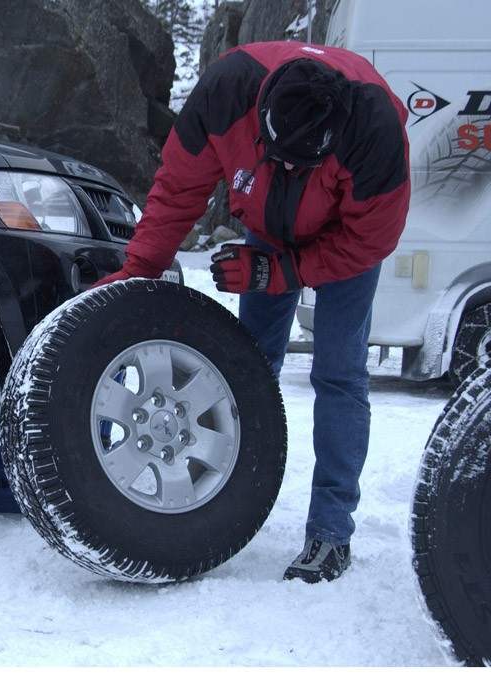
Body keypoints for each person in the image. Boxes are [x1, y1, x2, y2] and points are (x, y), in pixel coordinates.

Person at [95, 42, 410, 583]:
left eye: (302, 160)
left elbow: (368, 241)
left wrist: (280, 273)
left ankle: (330, 534)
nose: (288, 164)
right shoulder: (225, 93)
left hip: (342, 243)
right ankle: (229, 509)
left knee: (338, 374)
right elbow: (178, 188)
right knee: (246, 369)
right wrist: (142, 266)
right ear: (262, 116)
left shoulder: (374, 130)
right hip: (266, 227)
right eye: (280, 153)